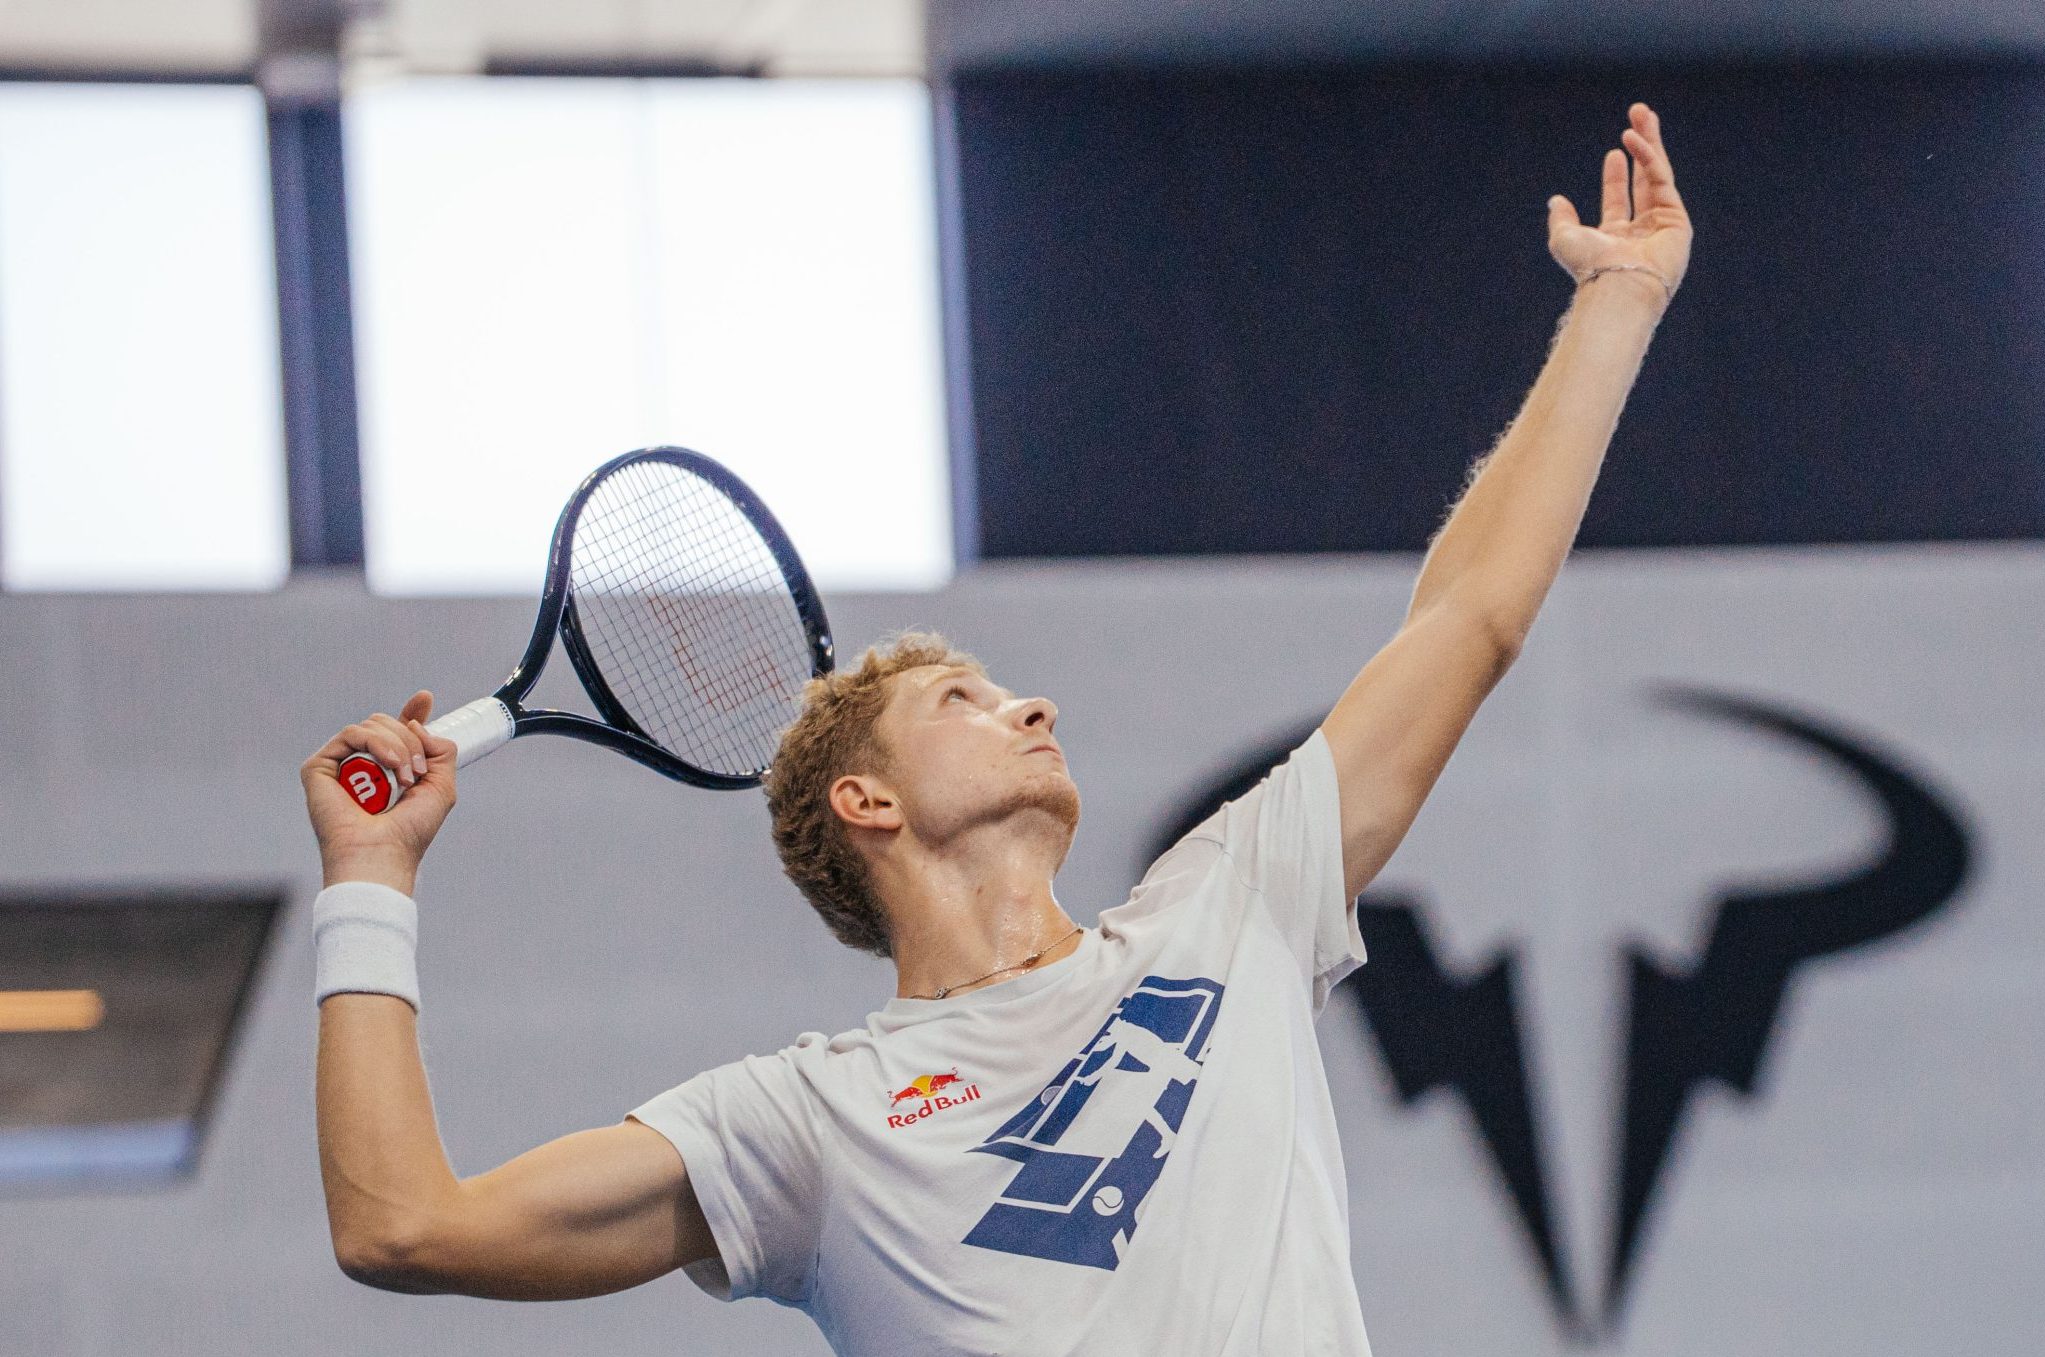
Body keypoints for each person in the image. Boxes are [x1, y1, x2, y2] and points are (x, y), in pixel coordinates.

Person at [300, 101, 1691, 1355]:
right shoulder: (804, 1120)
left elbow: (1470, 620)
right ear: (867, 802)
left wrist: (1618, 302)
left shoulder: (1229, 912)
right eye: (961, 699)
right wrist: (370, 882)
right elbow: (405, 1227)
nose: (1030, 704)